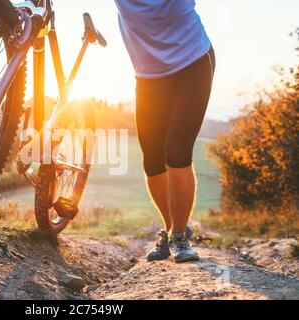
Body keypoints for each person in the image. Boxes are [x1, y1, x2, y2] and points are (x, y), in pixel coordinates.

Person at [114, 0, 216, 263]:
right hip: (148, 77)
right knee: (152, 159)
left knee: (177, 151)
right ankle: (171, 229)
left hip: (192, 64)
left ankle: (180, 236)